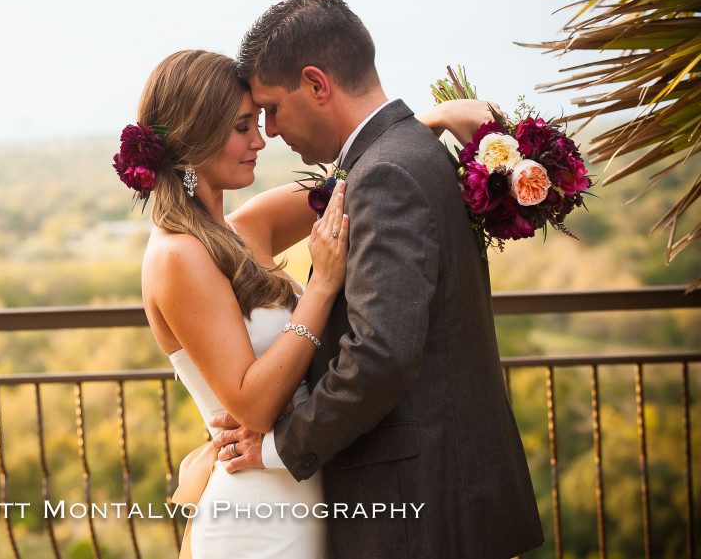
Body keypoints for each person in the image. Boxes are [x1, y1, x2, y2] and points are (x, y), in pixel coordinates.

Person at [117, 45, 500, 558]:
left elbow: (355, 182)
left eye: (257, 121)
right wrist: (320, 288)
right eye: (241, 127)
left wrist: (436, 118)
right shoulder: (176, 256)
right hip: (258, 517)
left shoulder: (247, 227)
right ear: (194, 136)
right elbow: (251, 403)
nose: (260, 140)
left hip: (308, 494)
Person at [209, 0, 545, 558]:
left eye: (271, 107)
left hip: (416, 508)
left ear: (317, 85)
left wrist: (279, 446)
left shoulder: (384, 174)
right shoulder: (411, 149)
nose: (269, 129)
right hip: (446, 491)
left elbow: (381, 353)